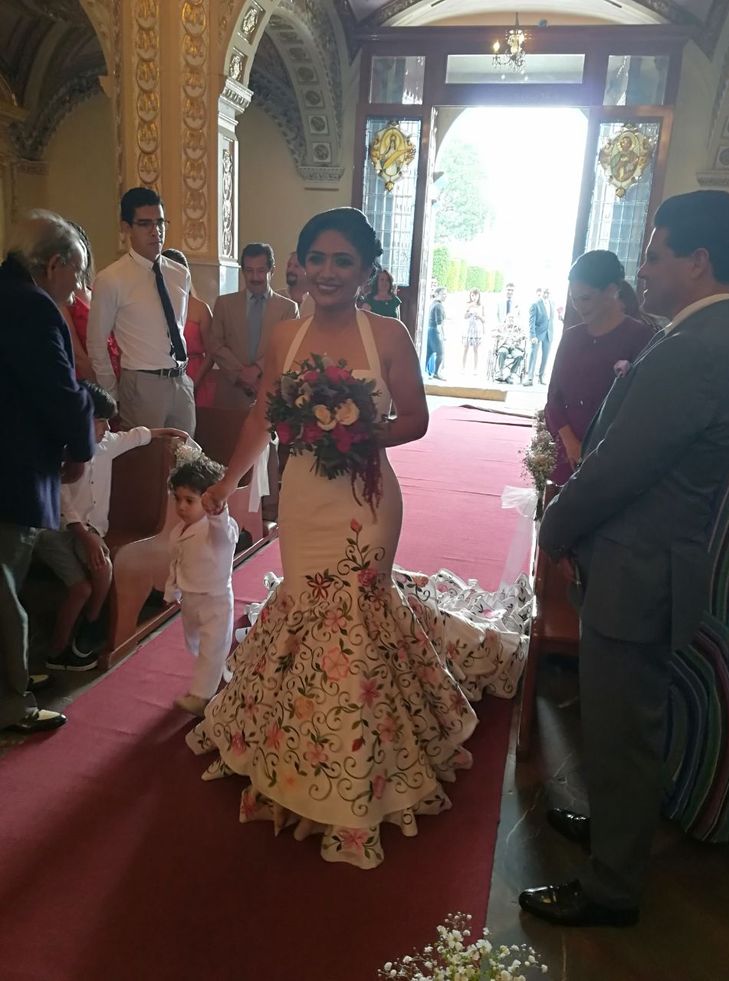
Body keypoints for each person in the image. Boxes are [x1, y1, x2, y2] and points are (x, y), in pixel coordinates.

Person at [184, 207, 523, 868]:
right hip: (305, 497)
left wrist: (355, 432)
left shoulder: (389, 334)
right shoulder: (285, 335)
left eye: (344, 261)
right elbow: (261, 412)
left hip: (367, 499)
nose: (330, 272)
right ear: (301, 265)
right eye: (319, 259)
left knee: (359, 619)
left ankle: (356, 773)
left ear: (367, 272)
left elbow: (417, 419)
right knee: (308, 614)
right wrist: (229, 478)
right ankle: (301, 754)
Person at [519, 190, 729, 926]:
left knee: (621, 731)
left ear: (698, 260)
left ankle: (612, 885)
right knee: (620, 724)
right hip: (648, 558)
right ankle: (614, 830)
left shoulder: (698, 346)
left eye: (654, 253)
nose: (643, 269)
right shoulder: (702, 333)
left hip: (638, 567)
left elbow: (618, 467)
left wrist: (554, 526)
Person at [0, 210, 95, 734]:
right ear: (54, 263)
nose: (76, 288)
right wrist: (80, 445)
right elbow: (60, 393)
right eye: (75, 275)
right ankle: (11, 703)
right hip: (10, 471)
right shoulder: (32, 307)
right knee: (4, 594)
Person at [34, 382, 187, 672]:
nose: (106, 427)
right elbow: (62, 501)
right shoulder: (59, 452)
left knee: (103, 568)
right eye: (99, 420)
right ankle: (56, 652)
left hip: (89, 532)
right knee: (80, 588)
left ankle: (90, 626)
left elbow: (134, 437)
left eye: (107, 421)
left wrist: (167, 433)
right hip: (56, 530)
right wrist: (87, 537)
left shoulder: (105, 445)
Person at [87, 186, 195, 434]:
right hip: (142, 381)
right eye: (145, 224)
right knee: (147, 465)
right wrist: (111, 392)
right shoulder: (112, 279)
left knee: (188, 463)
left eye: (160, 222)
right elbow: (96, 342)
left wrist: (185, 381)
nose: (155, 231)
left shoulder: (179, 273)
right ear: (126, 228)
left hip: (180, 379)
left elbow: (177, 327)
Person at [544, 252, 654, 484]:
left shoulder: (641, 337)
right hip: (568, 455)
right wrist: (571, 443)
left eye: (586, 299)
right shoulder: (571, 337)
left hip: (613, 459)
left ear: (612, 290)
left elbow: (641, 410)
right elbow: (554, 399)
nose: (579, 307)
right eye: (574, 299)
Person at [165, 453, 239, 717]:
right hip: (190, 599)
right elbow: (176, 563)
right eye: (178, 499)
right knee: (197, 644)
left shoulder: (218, 530)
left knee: (211, 646)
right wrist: (171, 588)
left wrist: (218, 510)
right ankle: (221, 676)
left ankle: (200, 697)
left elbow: (224, 532)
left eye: (190, 500)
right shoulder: (178, 532)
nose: (182, 507)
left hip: (215, 600)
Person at [210, 243, 298, 409]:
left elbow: (286, 347)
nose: (255, 277)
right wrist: (241, 374)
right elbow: (215, 344)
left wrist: (257, 369)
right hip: (231, 392)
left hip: (270, 392)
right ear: (243, 271)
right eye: (249, 270)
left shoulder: (288, 308)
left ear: (272, 270)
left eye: (261, 270)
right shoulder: (224, 304)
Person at [63, 221, 122, 384]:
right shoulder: (63, 298)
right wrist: (104, 388)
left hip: (113, 373)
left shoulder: (95, 291)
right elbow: (78, 355)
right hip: (87, 381)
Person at [161, 248, 217, 409]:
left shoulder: (200, 308)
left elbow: (212, 351)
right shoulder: (154, 307)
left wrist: (194, 382)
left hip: (195, 373)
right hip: (163, 374)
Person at [525, 286, 554, 385]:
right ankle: (530, 378)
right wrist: (532, 336)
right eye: (544, 293)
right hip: (537, 334)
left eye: (548, 293)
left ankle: (541, 376)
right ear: (541, 293)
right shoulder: (535, 304)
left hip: (548, 334)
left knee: (545, 356)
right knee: (533, 355)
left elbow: (551, 319)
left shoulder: (552, 304)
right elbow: (531, 322)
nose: (546, 295)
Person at [282, 250, 315, 318]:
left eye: (296, 266)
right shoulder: (275, 299)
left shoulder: (318, 303)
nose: (290, 270)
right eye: (289, 265)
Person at [425, 286, 446, 379]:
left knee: (428, 352)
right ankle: (436, 372)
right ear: (437, 294)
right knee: (440, 353)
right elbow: (439, 323)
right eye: (443, 294)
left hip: (430, 330)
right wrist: (443, 335)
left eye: (446, 294)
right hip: (435, 330)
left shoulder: (433, 303)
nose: (445, 296)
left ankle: (423, 370)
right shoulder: (438, 305)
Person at [462, 287, 485, 374]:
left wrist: (479, 316)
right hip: (468, 328)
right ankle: (463, 368)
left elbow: (484, 320)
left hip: (477, 329)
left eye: (476, 295)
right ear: (470, 296)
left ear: (479, 296)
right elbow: (464, 316)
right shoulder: (467, 304)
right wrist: (468, 309)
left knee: (476, 349)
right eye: (472, 295)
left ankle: (475, 369)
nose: (474, 297)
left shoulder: (481, 306)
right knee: (465, 348)